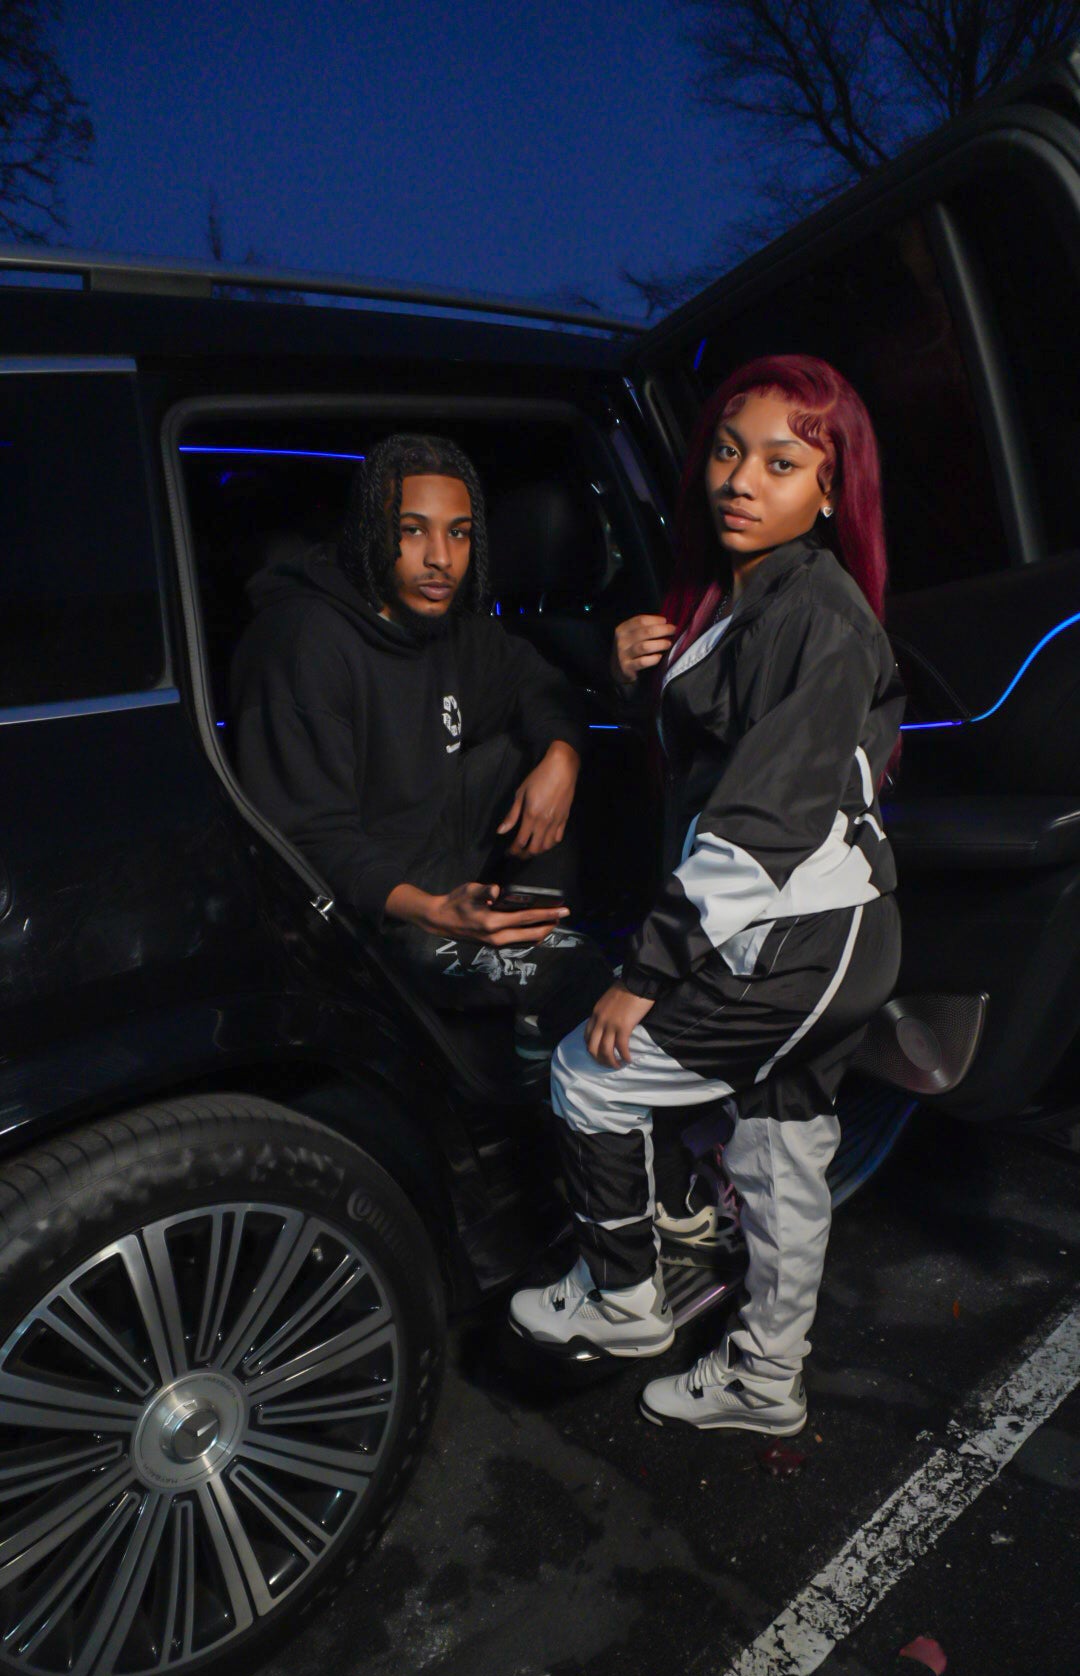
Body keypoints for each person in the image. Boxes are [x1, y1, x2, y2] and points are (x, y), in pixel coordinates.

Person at [509, 355, 905, 1436]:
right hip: (818, 932)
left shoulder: (818, 614)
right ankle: (765, 1384)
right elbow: (716, 749)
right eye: (729, 452)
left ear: (830, 491)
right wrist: (633, 670)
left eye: (781, 463)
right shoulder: (748, 598)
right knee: (781, 1157)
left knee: (590, 1076)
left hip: (793, 935)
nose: (740, 480)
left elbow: (759, 820)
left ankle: (622, 1298)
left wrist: (646, 973)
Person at [231, 433, 611, 1050]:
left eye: (458, 534)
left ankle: (529, 929)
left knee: (540, 747)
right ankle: (527, 1044)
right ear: (369, 533)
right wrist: (434, 911)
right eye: (412, 531)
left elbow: (536, 684)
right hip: (358, 916)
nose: (441, 558)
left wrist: (561, 758)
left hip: (428, 857)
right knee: (578, 978)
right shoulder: (305, 644)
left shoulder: (444, 626)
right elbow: (308, 842)